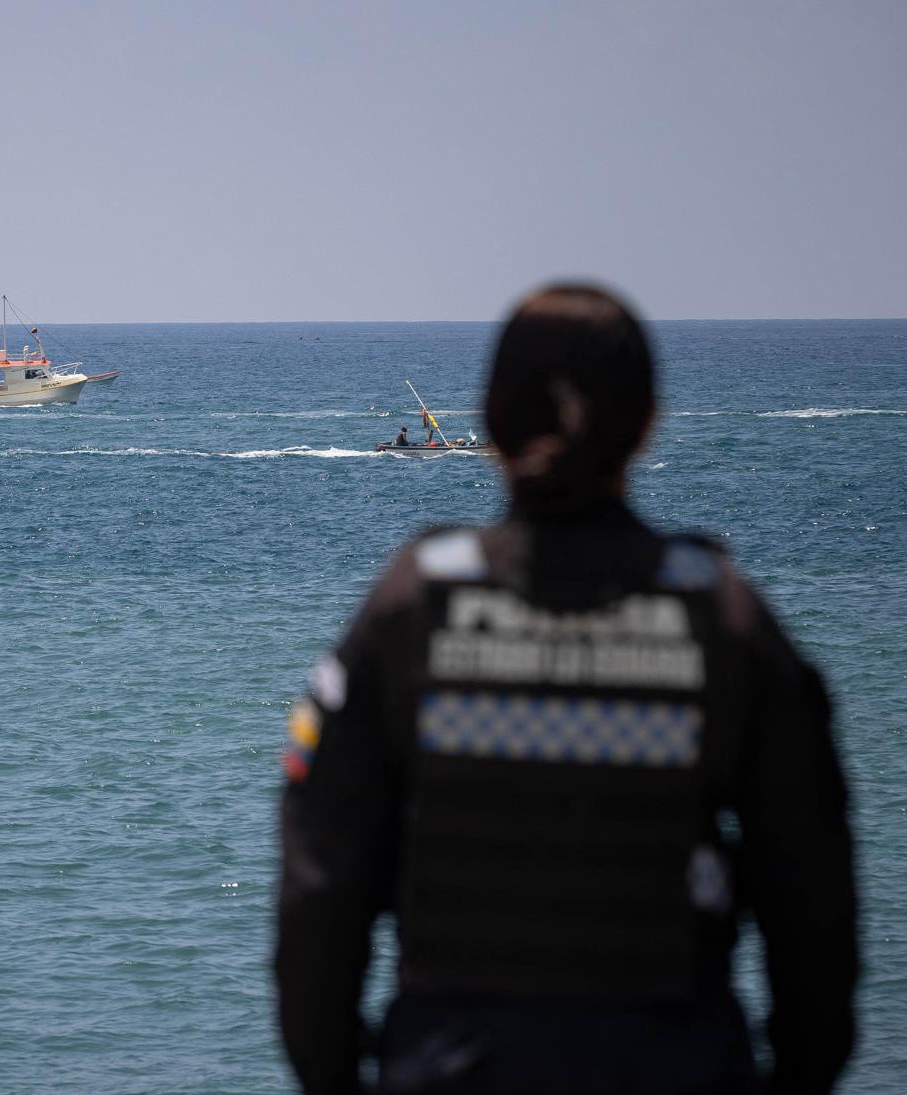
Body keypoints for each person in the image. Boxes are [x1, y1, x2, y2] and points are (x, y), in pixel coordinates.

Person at [275, 284, 856, 1094]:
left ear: (493, 420)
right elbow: (817, 913)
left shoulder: (410, 609)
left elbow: (316, 898)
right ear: (648, 424)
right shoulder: (723, 620)